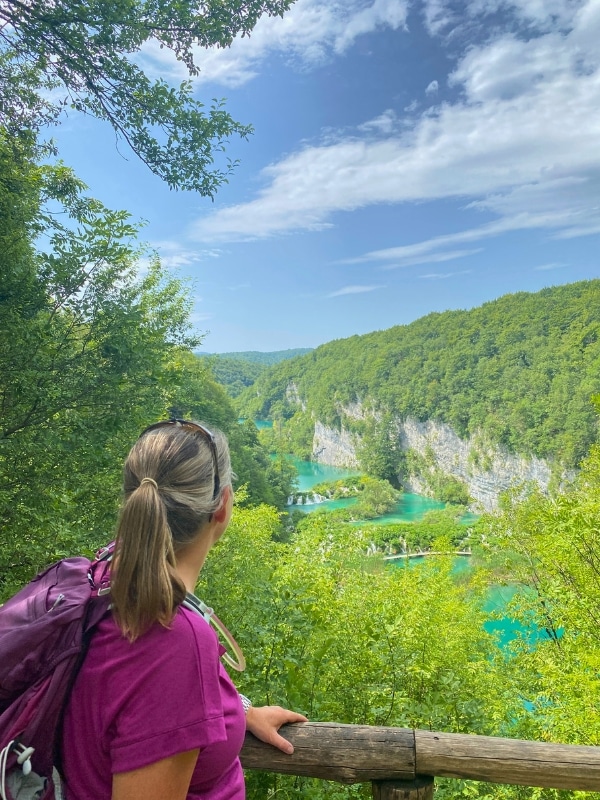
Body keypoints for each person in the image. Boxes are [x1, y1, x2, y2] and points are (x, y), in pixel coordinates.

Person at [61, 418, 307, 800]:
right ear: (222, 507)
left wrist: (234, 712)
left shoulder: (101, 579)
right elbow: (155, 679)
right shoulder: (173, 637)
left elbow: (131, 700)